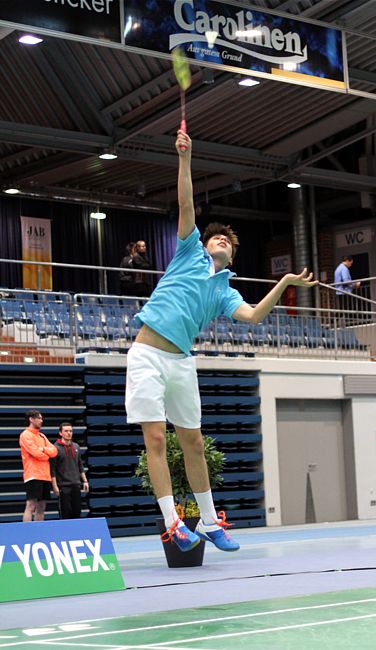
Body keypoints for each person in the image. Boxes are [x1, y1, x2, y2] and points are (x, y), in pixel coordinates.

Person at [125, 130, 318, 553]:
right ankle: (172, 522)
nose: (220, 241)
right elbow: (185, 203)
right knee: (156, 439)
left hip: (180, 362)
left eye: (227, 242)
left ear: (232, 256)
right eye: (217, 237)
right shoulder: (188, 250)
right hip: (146, 354)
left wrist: (285, 281)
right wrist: (185, 159)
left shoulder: (225, 291)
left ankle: (211, 522)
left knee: (192, 440)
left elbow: (253, 316)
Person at [19, 410, 58, 522]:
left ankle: (38, 533)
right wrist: (46, 455)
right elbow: (35, 453)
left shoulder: (42, 436)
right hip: (33, 475)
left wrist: (44, 450)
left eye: (41, 418)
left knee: (42, 506)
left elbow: (54, 451)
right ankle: (27, 533)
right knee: (31, 505)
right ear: (31, 419)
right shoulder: (25, 435)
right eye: (39, 418)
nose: (41, 420)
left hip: (45, 476)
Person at [50, 422, 89, 519]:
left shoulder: (76, 446)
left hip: (76, 484)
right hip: (63, 486)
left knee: (77, 511)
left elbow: (80, 465)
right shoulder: (55, 448)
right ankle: (64, 534)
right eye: (66, 431)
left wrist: (85, 481)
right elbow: (52, 469)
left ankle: (75, 534)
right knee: (65, 513)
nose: (69, 433)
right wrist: (54, 486)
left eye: (71, 431)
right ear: (60, 433)